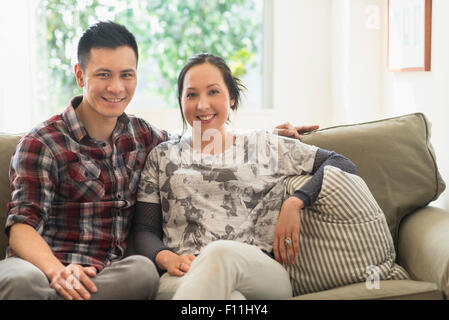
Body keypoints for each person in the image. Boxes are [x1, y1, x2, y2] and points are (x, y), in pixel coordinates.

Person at [0, 22, 316, 300]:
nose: (116, 87)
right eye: (103, 75)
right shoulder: (41, 142)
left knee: (143, 273)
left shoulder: (143, 136)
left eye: (126, 75)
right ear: (80, 75)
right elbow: (22, 227)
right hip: (42, 268)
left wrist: (267, 137)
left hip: (105, 275)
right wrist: (59, 272)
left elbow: (203, 139)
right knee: (20, 283)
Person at [133, 53, 357, 300]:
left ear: (232, 98)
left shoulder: (263, 145)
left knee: (219, 254)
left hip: (260, 272)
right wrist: (167, 257)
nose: (202, 105)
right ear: (180, 100)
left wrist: (296, 202)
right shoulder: (162, 156)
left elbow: (341, 163)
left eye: (213, 92)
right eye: (191, 94)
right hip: (184, 276)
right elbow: (144, 229)